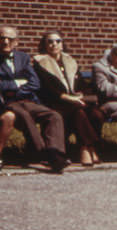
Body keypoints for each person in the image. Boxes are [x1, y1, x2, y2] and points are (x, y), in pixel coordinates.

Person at [0, 25, 69, 172]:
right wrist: (18, 83)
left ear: (16, 42)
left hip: (28, 100)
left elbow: (34, 82)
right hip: (8, 103)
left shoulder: (23, 58)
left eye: (10, 39)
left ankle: (55, 152)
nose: (5, 42)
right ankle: (44, 153)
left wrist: (12, 88)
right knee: (24, 116)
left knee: (54, 115)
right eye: (2, 38)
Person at [33, 30, 105, 166]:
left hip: (75, 102)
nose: (54, 44)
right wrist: (68, 98)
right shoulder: (40, 63)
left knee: (97, 114)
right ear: (44, 44)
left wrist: (81, 94)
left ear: (62, 44)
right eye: (50, 41)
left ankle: (87, 146)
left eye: (57, 41)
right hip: (55, 102)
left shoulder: (70, 61)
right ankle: (87, 147)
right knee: (79, 111)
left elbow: (82, 84)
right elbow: (46, 89)